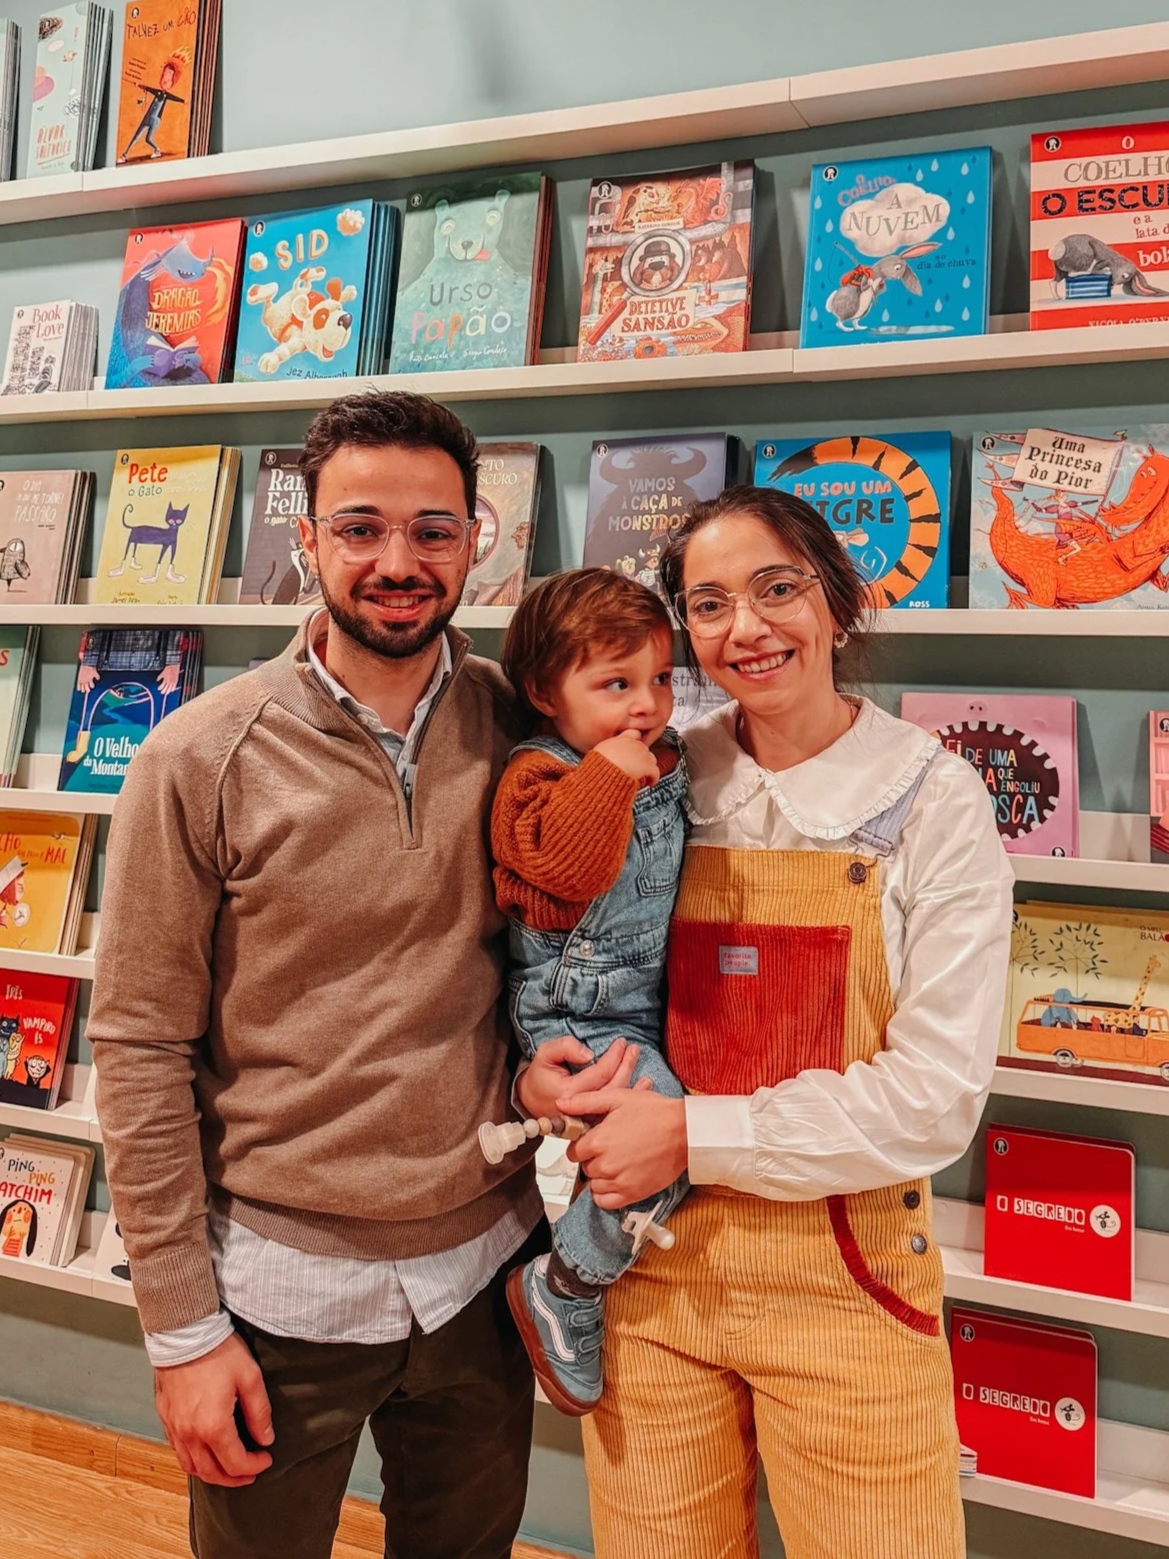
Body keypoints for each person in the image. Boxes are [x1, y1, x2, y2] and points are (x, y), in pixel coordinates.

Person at [89, 390, 590, 1559]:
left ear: (478, 539)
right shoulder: (196, 757)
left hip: (482, 1273)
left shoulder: (526, 734)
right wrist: (178, 1329)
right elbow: (140, 1043)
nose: (397, 561)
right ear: (303, 539)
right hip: (277, 1295)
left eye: (432, 530)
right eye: (359, 527)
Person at [563, 486, 1015, 1559]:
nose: (746, 629)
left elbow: (933, 1098)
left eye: (776, 589)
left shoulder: (931, 801)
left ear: (836, 600)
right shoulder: (657, 776)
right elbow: (585, 970)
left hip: (847, 1279)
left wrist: (689, 1133)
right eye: (708, 604)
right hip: (649, 1267)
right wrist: (553, 1072)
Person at [491, 568, 690, 1415]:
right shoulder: (533, 778)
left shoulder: (659, 759)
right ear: (544, 690)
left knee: (661, 1149)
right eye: (615, 684)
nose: (644, 705)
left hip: (638, 1004)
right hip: (578, 1011)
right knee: (669, 1150)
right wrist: (609, 771)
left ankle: (576, 1264)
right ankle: (563, 1282)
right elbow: (567, 870)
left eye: (659, 680)